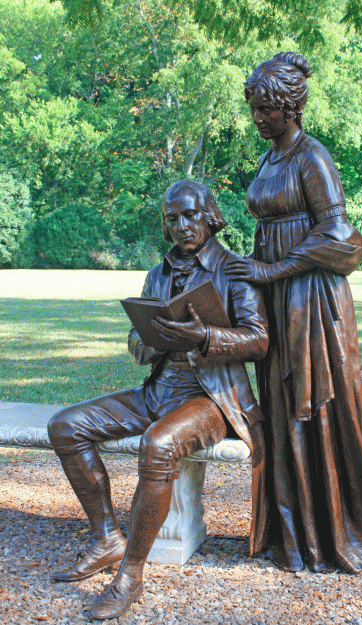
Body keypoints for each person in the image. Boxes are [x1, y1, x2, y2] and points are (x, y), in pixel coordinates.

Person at [226, 52, 362, 574]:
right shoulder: (269, 160)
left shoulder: (313, 158)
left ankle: (350, 531)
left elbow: (340, 235)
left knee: (329, 405)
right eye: (254, 109)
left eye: (267, 109)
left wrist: (276, 269)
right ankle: (296, 531)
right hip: (274, 293)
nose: (258, 118)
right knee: (282, 402)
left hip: (311, 301)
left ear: (290, 107)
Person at [48, 180, 269, 620]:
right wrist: (149, 342)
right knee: (65, 425)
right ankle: (108, 537)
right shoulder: (159, 272)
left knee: (158, 444)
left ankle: (131, 574)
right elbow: (136, 336)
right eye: (172, 219)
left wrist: (203, 336)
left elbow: (258, 340)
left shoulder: (236, 270)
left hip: (212, 396)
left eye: (190, 215)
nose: (182, 226)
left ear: (209, 214)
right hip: (159, 388)